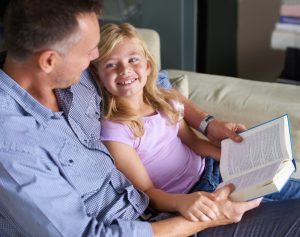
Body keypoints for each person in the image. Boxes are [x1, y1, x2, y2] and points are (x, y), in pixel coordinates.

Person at [0, 1, 300, 237]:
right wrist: (204, 219)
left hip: (171, 207)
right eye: (90, 51)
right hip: (164, 222)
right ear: (49, 60)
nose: (95, 57)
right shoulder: (14, 147)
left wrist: (208, 123)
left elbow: (159, 85)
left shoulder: (73, 77)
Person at [92, 22, 300, 222]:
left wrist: (238, 159)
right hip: (195, 195)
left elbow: (194, 143)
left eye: (133, 60)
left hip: (212, 169)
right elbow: (147, 193)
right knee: (284, 214)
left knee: (288, 185)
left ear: (147, 67)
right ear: (99, 78)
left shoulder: (164, 101)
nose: (124, 70)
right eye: (111, 64)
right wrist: (182, 203)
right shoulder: (115, 130)